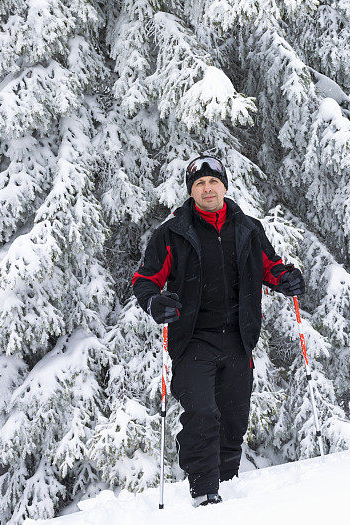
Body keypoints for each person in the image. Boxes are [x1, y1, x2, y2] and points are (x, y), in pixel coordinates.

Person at [131, 155, 305, 507]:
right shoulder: (171, 233)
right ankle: (204, 492)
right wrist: (154, 303)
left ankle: (228, 485)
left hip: (239, 337)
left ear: (224, 186)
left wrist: (285, 277)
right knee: (201, 413)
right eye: (199, 184)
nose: (207, 189)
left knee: (233, 418)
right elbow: (145, 280)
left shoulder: (248, 228)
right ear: (191, 191)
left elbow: (268, 267)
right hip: (193, 338)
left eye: (213, 182)